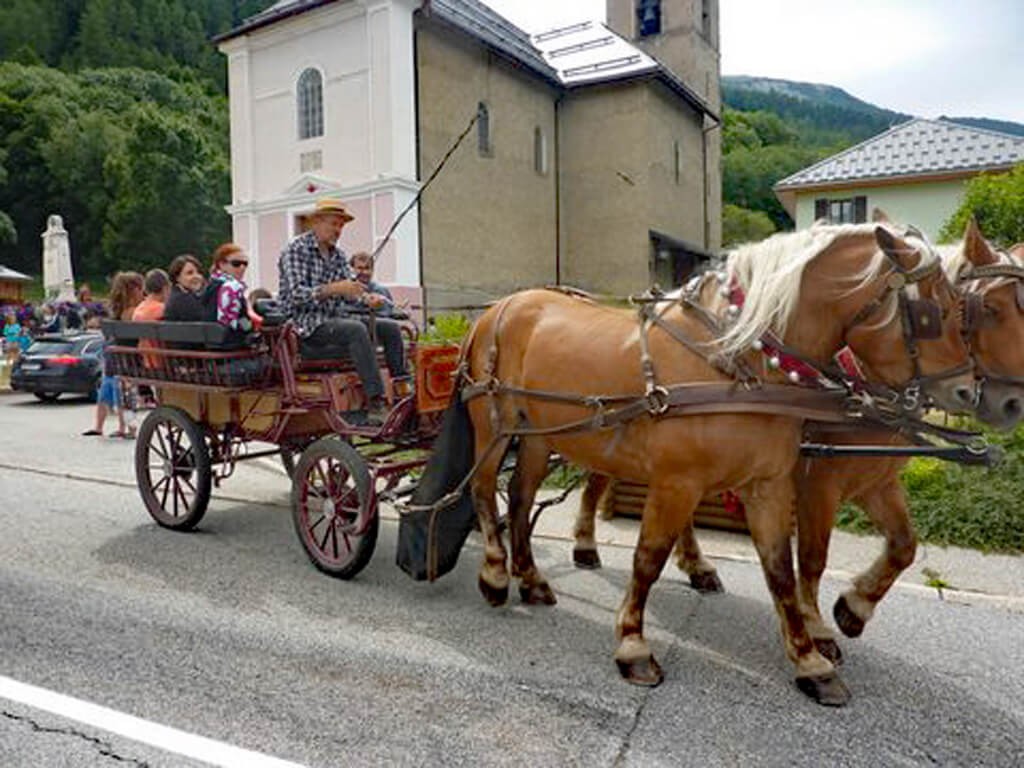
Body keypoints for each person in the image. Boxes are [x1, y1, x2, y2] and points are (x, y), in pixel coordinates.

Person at [278, 198, 406, 425]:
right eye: (333, 224)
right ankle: (376, 401)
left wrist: (368, 298)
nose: (338, 230)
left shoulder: (337, 255)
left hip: (334, 321)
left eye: (341, 226)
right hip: (305, 326)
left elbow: (352, 287)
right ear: (316, 222)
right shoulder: (295, 250)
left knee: (390, 327)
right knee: (355, 329)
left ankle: (402, 389)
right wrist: (334, 289)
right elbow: (295, 294)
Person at [83, 271, 143, 438]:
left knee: (114, 395)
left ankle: (112, 427)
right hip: (128, 360)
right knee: (124, 395)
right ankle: (129, 428)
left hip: (114, 359)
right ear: (134, 289)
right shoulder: (135, 312)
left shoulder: (117, 312)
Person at [208, 243, 262, 331]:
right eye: (236, 264)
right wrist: (252, 327)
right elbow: (233, 321)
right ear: (222, 264)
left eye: (245, 264)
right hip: (230, 341)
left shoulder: (211, 285)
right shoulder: (231, 287)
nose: (242, 268)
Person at [163, 254, 209, 322]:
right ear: (177, 277)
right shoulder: (182, 300)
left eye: (199, 272)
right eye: (189, 273)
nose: (197, 276)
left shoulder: (175, 296)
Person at [348, 251, 396, 315]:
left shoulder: (381, 290)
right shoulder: (345, 289)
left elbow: (388, 312)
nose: (364, 272)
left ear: (372, 270)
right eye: (360, 268)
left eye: (367, 268)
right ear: (353, 269)